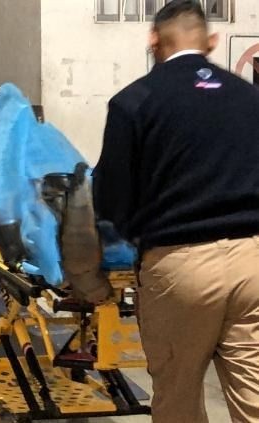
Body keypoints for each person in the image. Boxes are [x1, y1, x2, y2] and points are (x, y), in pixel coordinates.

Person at [93, 1, 259, 422]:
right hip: (253, 261)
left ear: (154, 40)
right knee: (253, 394)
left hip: (180, 265)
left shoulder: (135, 101)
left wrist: (133, 236)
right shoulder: (249, 97)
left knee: (178, 395)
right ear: (211, 42)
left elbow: (110, 197)